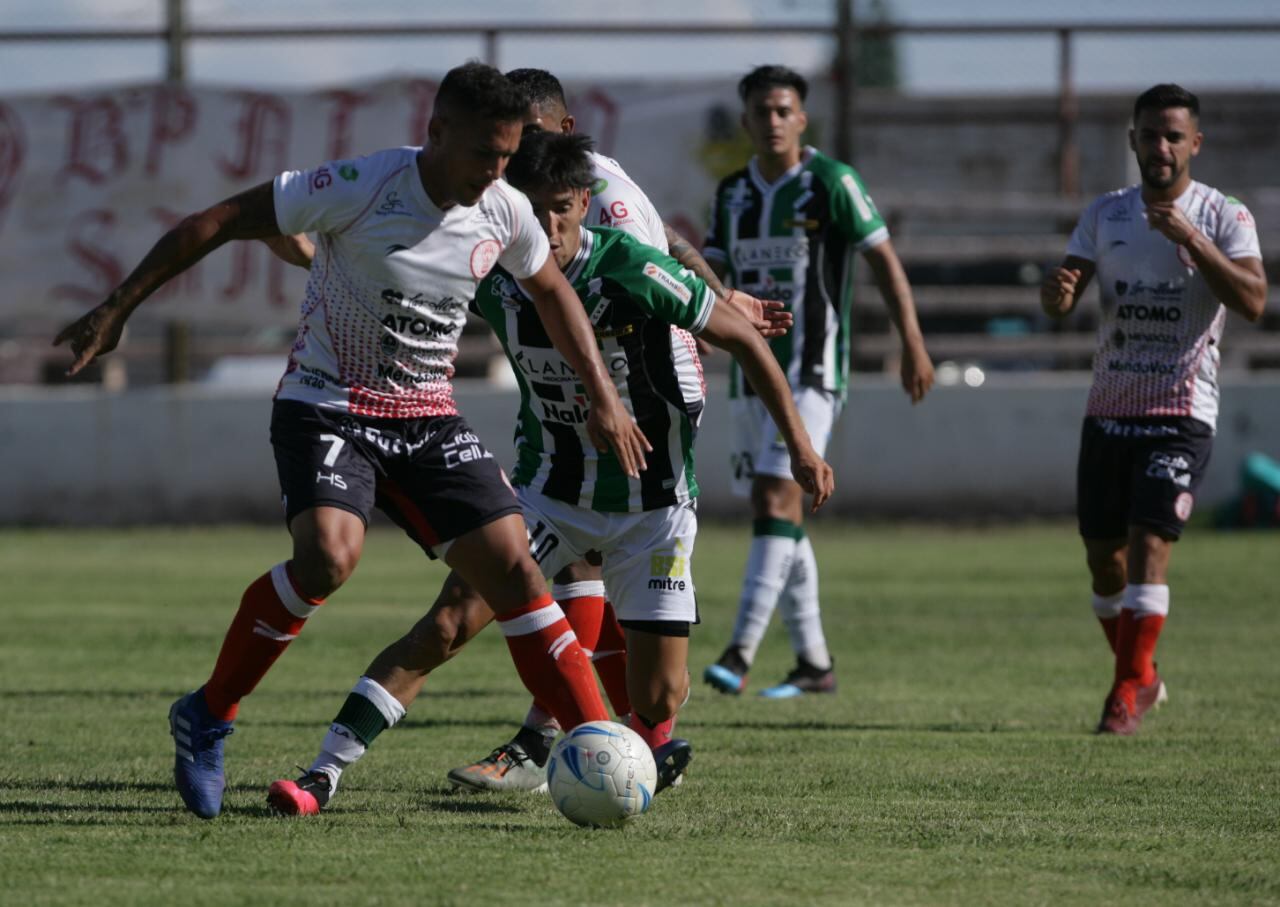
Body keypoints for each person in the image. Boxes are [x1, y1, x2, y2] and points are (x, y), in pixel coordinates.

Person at [51, 62, 653, 820]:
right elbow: (218, 219)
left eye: (505, 158)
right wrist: (117, 309)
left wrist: (604, 395)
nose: (495, 173)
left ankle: (597, 743)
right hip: (327, 404)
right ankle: (209, 713)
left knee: (518, 575)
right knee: (329, 557)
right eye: (482, 155)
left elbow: (553, 292)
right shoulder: (362, 184)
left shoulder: (503, 208)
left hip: (426, 418)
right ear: (435, 134)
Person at [265, 129, 834, 817]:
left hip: (653, 508)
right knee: (445, 623)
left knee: (658, 695)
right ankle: (322, 772)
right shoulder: (496, 269)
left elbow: (739, 337)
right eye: (533, 208)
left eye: (562, 206)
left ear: (585, 203)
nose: (548, 223)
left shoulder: (631, 267)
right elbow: (386, 279)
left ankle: (627, 760)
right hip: (545, 498)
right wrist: (296, 244)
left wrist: (800, 446)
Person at [441, 67, 792, 793]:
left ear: (563, 134)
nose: (513, 156)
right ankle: (588, 739)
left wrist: (712, 316)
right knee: (572, 562)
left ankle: (573, 740)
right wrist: (727, 292)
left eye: (527, 138)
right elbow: (678, 242)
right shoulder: (531, 195)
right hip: (580, 390)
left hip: (642, 391)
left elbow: (646, 265)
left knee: (587, 552)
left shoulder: (596, 198)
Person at [701, 65, 933, 699]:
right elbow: (714, 267)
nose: (773, 121)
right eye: (762, 111)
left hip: (812, 373)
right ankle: (814, 663)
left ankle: (738, 651)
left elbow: (881, 257)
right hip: (750, 379)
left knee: (779, 498)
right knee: (777, 511)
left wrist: (912, 340)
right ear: (746, 120)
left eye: (784, 111)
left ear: (802, 118)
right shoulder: (731, 195)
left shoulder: (833, 183)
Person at [1040, 83, 1266, 735]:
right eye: (1149, 134)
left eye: (1173, 135)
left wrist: (1191, 238)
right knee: (1103, 562)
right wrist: (1055, 296)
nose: (1160, 146)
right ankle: (1144, 675)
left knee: (1150, 547)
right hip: (1108, 408)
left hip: (1180, 409)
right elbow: (1065, 294)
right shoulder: (1105, 214)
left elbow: (1252, 300)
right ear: (1132, 140)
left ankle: (1123, 696)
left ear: (1195, 142)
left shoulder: (1225, 215)